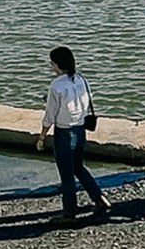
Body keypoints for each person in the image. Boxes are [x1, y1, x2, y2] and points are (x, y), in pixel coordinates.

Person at [34, 45, 112, 226]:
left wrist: (42, 137)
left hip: (64, 133)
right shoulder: (81, 79)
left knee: (66, 175)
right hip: (80, 129)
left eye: (51, 63)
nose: (51, 67)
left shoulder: (56, 85)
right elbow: (83, 104)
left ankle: (69, 213)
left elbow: (50, 116)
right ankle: (99, 198)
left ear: (57, 64)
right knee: (79, 167)